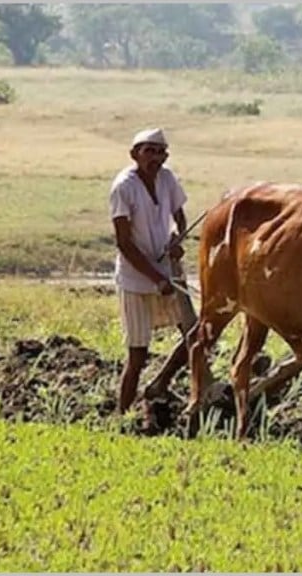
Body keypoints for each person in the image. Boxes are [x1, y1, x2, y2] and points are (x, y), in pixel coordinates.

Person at [109, 127, 198, 416]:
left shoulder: (167, 178)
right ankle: (121, 417)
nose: (156, 158)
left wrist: (178, 238)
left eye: (160, 152)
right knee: (137, 354)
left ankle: (161, 383)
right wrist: (156, 279)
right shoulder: (124, 187)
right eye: (149, 151)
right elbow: (123, 242)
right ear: (135, 154)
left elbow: (180, 215)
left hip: (167, 272)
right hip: (137, 279)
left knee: (194, 335)